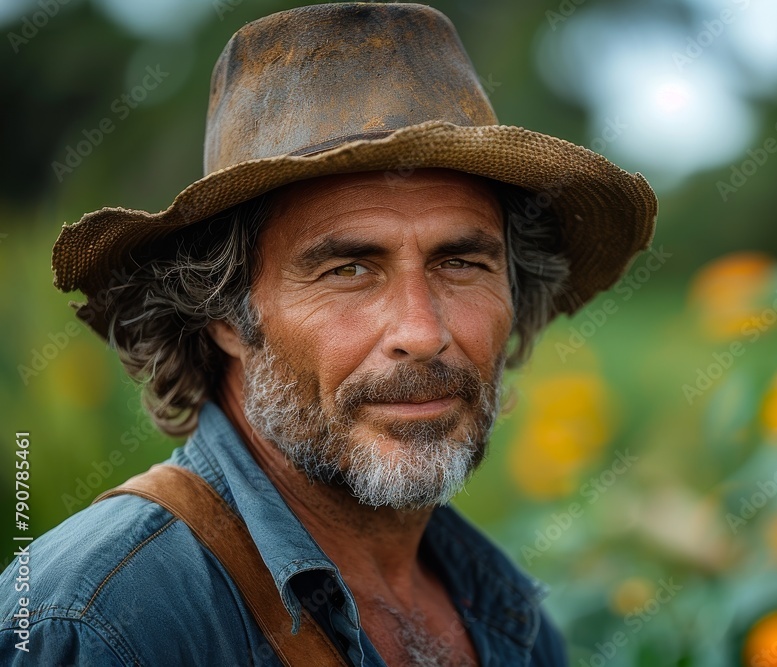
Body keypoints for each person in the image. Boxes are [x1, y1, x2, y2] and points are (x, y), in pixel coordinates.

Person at [0, 3, 657, 665]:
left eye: (461, 262)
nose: (422, 331)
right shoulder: (94, 625)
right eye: (349, 268)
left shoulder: (512, 617)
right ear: (225, 312)